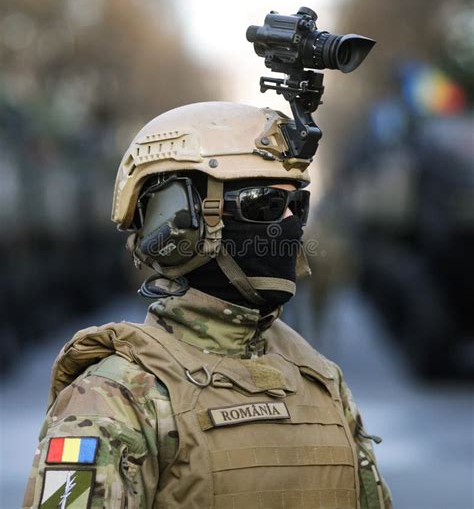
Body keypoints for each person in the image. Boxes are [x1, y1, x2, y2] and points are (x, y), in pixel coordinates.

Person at [23, 101, 392, 509]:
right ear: (182, 222)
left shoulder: (323, 382)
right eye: (265, 205)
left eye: (297, 206)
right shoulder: (111, 400)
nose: (289, 222)